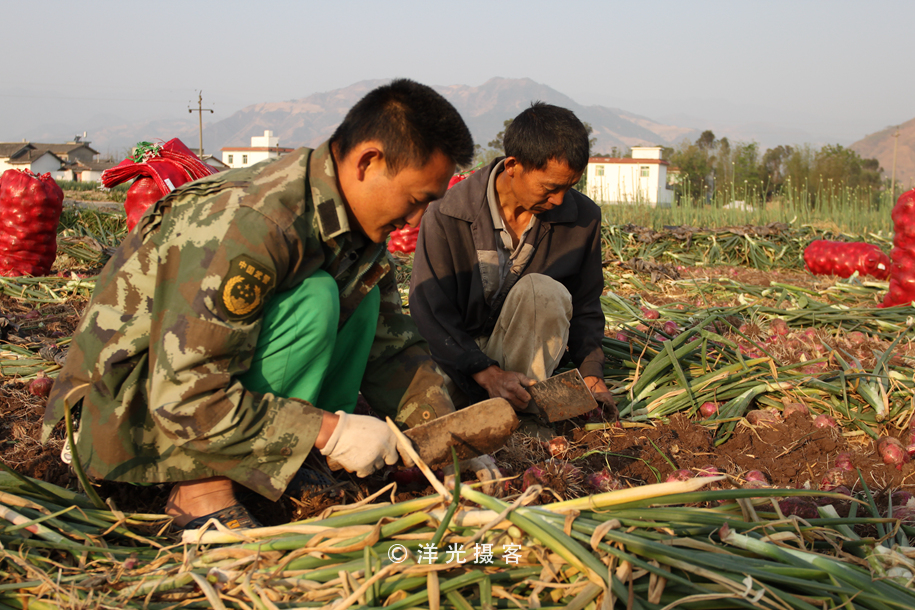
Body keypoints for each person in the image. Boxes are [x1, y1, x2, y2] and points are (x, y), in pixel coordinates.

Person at [42, 79, 475, 529]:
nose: (416, 220)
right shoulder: (256, 221)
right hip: (132, 411)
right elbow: (185, 392)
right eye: (416, 200)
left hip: (194, 398)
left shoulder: (353, 226)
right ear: (369, 161)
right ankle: (199, 487)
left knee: (362, 306)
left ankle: (290, 457)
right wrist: (329, 430)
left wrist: (446, 442)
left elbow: (391, 347)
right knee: (316, 299)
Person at [409, 102, 616, 418]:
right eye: (550, 188)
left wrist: (591, 372)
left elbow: (586, 306)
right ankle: (491, 411)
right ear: (513, 165)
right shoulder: (448, 213)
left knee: (544, 292)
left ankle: (522, 416)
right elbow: (431, 313)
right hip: (457, 363)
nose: (559, 200)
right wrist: (487, 373)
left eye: (570, 187)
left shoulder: (583, 219)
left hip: (527, 369)